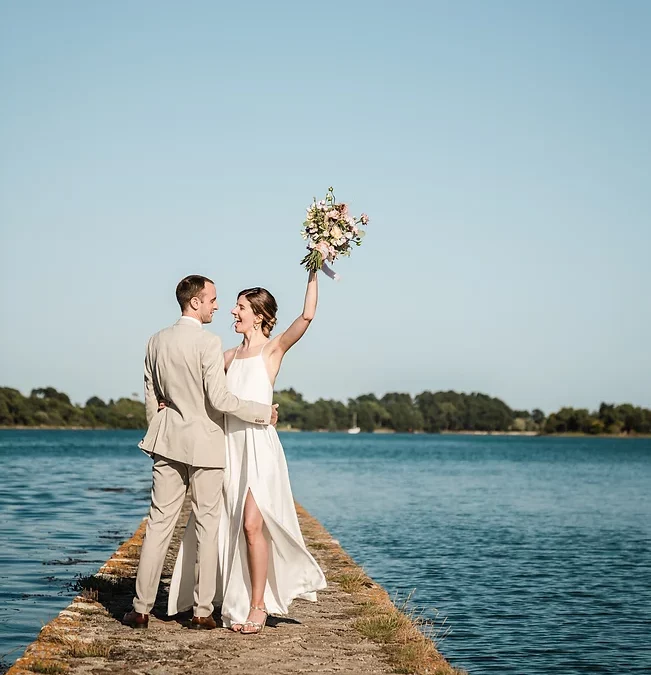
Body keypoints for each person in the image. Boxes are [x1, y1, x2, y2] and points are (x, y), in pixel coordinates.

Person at [167, 271, 326, 634]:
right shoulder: (228, 355)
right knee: (227, 526)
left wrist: (314, 268)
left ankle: (258, 606)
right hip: (229, 449)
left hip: (259, 449)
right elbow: (194, 382)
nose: (232, 312)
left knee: (254, 525)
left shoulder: (273, 349)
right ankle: (223, 597)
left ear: (258, 314)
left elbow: (306, 317)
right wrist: (166, 398)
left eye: (239, 307)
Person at [122, 275, 278, 631]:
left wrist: (157, 429)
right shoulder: (209, 343)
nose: (217, 306)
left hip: (166, 442)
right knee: (208, 527)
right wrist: (261, 412)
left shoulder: (155, 341)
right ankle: (202, 611)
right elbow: (219, 400)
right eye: (212, 299)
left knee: (159, 524)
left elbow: (151, 397)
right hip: (207, 445)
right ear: (195, 302)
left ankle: (141, 608)